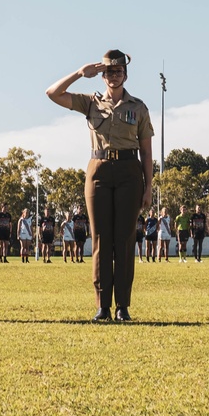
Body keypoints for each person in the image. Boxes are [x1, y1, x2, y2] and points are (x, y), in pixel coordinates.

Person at [46, 49, 153, 322]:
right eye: (108, 72)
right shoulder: (90, 103)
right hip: (99, 172)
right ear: (102, 75)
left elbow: (147, 151)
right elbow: (53, 93)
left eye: (118, 72)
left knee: (125, 240)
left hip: (130, 172)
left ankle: (123, 307)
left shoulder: (138, 107)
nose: (113, 76)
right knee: (101, 240)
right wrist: (80, 73)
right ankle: (103, 305)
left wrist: (148, 187)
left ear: (125, 75)